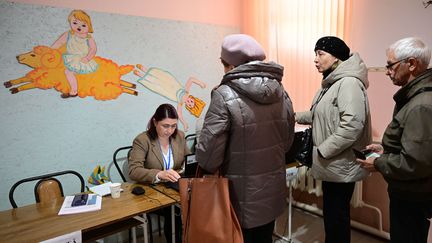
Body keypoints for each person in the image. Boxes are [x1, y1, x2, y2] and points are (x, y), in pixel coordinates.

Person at [195, 34, 295, 243]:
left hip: (239, 198)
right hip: (271, 193)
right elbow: (287, 143)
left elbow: (209, 157)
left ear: (230, 65)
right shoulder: (280, 91)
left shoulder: (223, 95)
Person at [295, 36, 372, 243]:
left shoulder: (348, 83)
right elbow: (318, 114)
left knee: (336, 219)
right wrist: (292, 116)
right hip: (333, 164)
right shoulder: (331, 83)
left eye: (320, 54)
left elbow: (352, 125)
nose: (316, 59)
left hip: (340, 163)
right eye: (315, 54)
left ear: (336, 58)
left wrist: (322, 150)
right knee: (333, 217)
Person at [357, 37, 432, 243]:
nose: (387, 71)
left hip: (412, 196)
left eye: (390, 65)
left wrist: (379, 162)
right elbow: (413, 145)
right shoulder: (415, 98)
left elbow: (414, 162)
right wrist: (385, 149)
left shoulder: (421, 105)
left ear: (411, 64)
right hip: (409, 192)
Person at [128, 103, 190, 242]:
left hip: (174, 184)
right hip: (153, 190)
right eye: (165, 126)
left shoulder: (179, 136)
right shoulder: (143, 140)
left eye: (173, 126)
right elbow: (134, 170)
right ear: (155, 122)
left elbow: (188, 158)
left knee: (196, 199)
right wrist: (159, 174)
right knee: (174, 210)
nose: (170, 131)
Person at [134, 64, 207, 131]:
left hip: (165, 90)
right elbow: (191, 79)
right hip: (170, 82)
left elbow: (179, 114)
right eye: (191, 101)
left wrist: (184, 123)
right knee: (160, 76)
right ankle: (143, 69)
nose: (189, 102)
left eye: (189, 105)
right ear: (193, 98)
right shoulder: (186, 91)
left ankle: (140, 74)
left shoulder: (180, 103)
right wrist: (200, 83)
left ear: (188, 107)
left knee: (156, 84)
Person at [52, 9, 98, 98]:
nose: (78, 27)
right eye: (75, 23)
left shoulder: (88, 38)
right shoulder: (69, 34)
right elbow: (59, 42)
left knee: (68, 72)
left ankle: (74, 91)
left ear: (89, 26)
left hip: (82, 59)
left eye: (83, 25)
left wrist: (88, 58)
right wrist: (50, 50)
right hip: (69, 58)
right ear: (70, 23)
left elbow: (93, 49)